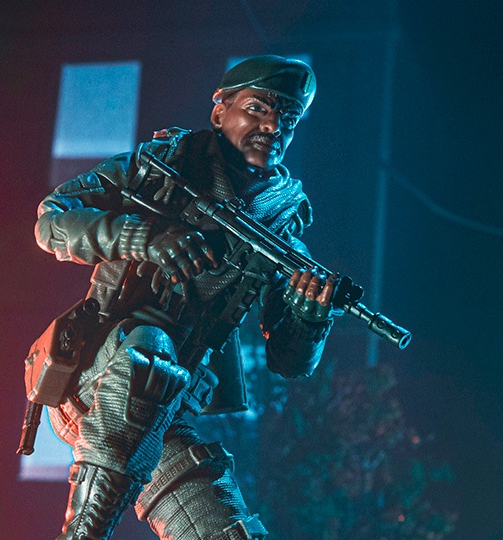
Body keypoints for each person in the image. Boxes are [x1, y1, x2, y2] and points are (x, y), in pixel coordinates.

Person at [33, 55, 341, 540]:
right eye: (258, 108)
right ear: (220, 111)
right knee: (150, 354)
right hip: (94, 374)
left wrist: (309, 317)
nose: (272, 125)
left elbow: (288, 362)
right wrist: (140, 237)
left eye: (288, 117)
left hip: (164, 414)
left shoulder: (281, 234)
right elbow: (51, 221)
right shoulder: (160, 166)